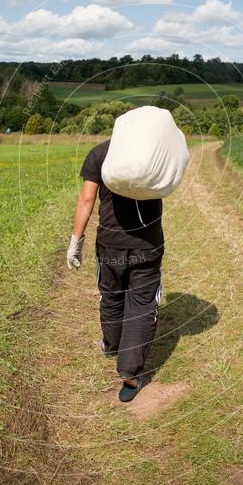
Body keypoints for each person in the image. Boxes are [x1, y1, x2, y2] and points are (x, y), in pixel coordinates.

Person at [67, 138, 164, 402]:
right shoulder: (153, 151)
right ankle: (130, 376)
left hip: (110, 246)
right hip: (147, 245)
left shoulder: (100, 152)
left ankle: (112, 345)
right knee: (142, 305)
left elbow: (87, 198)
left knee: (111, 295)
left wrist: (76, 241)